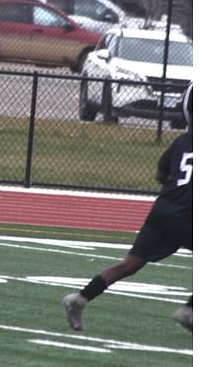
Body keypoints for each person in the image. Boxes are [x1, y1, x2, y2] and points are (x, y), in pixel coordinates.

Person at [63, 82, 193, 332]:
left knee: (130, 265)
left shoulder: (181, 142)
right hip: (188, 214)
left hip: (163, 210)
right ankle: (189, 310)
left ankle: (79, 299)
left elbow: (161, 173)